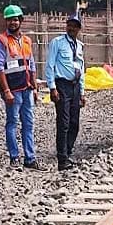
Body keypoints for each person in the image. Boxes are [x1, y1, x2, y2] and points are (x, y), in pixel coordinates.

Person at [0, 5, 47, 171]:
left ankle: (30, 159)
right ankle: (14, 157)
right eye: (10, 20)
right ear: (6, 21)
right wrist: (6, 91)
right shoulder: (1, 41)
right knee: (12, 123)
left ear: (21, 21)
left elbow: (31, 65)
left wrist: (35, 88)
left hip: (27, 89)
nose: (13, 23)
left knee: (28, 124)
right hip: (13, 91)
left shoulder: (26, 41)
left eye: (15, 19)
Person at [46, 14, 87, 170]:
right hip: (62, 85)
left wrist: (82, 92)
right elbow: (50, 65)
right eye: (70, 25)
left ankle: (68, 152)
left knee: (74, 123)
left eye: (75, 26)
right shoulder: (57, 43)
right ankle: (62, 159)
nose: (72, 28)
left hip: (75, 86)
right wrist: (52, 87)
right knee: (63, 122)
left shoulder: (79, 46)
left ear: (79, 29)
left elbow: (81, 69)